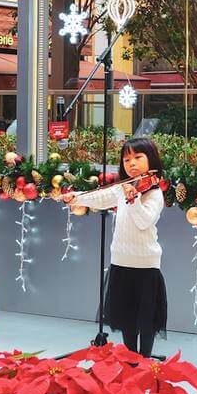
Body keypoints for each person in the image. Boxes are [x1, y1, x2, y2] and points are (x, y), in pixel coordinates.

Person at [69, 138, 167, 357]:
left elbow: (144, 221)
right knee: (127, 319)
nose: (131, 163)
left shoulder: (154, 193)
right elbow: (102, 196)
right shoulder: (124, 188)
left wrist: (133, 201)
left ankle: (145, 359)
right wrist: (78, 198)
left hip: (146, 265)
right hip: (121, 262)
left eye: (138, 157)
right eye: (126, 159)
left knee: (146, 321)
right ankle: (131, 360)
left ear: (151, 159)